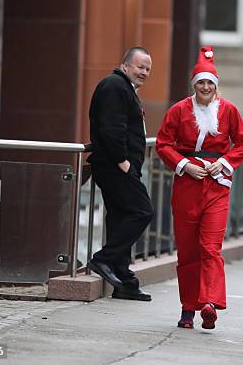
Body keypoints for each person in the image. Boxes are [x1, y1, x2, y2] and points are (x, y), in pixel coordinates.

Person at [155, 45, 243, 330]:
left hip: (217, 186)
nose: (206, 87)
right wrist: (184, 165)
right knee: (187, 250)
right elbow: (163, 144)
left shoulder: (229, 110)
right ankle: (187, 308)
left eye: (210, 82)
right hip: (187, 185)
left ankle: (209, 302)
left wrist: (224, 163)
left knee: (211, 246)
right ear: (194, 85)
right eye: (201, 83)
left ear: (216, 86)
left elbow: (242, 142)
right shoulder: (178, 111)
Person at [87, 47, 155, 301]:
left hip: (119, 166)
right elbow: (111, 126)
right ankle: (103, 259)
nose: (145, 72)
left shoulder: (123, 88)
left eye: (148, 68)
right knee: (142, 211)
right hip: (115, 166)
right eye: (140, 67)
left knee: (120, 217)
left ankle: (124, 280)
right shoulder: (115, 85)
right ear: (125, 65)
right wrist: (122, 160)